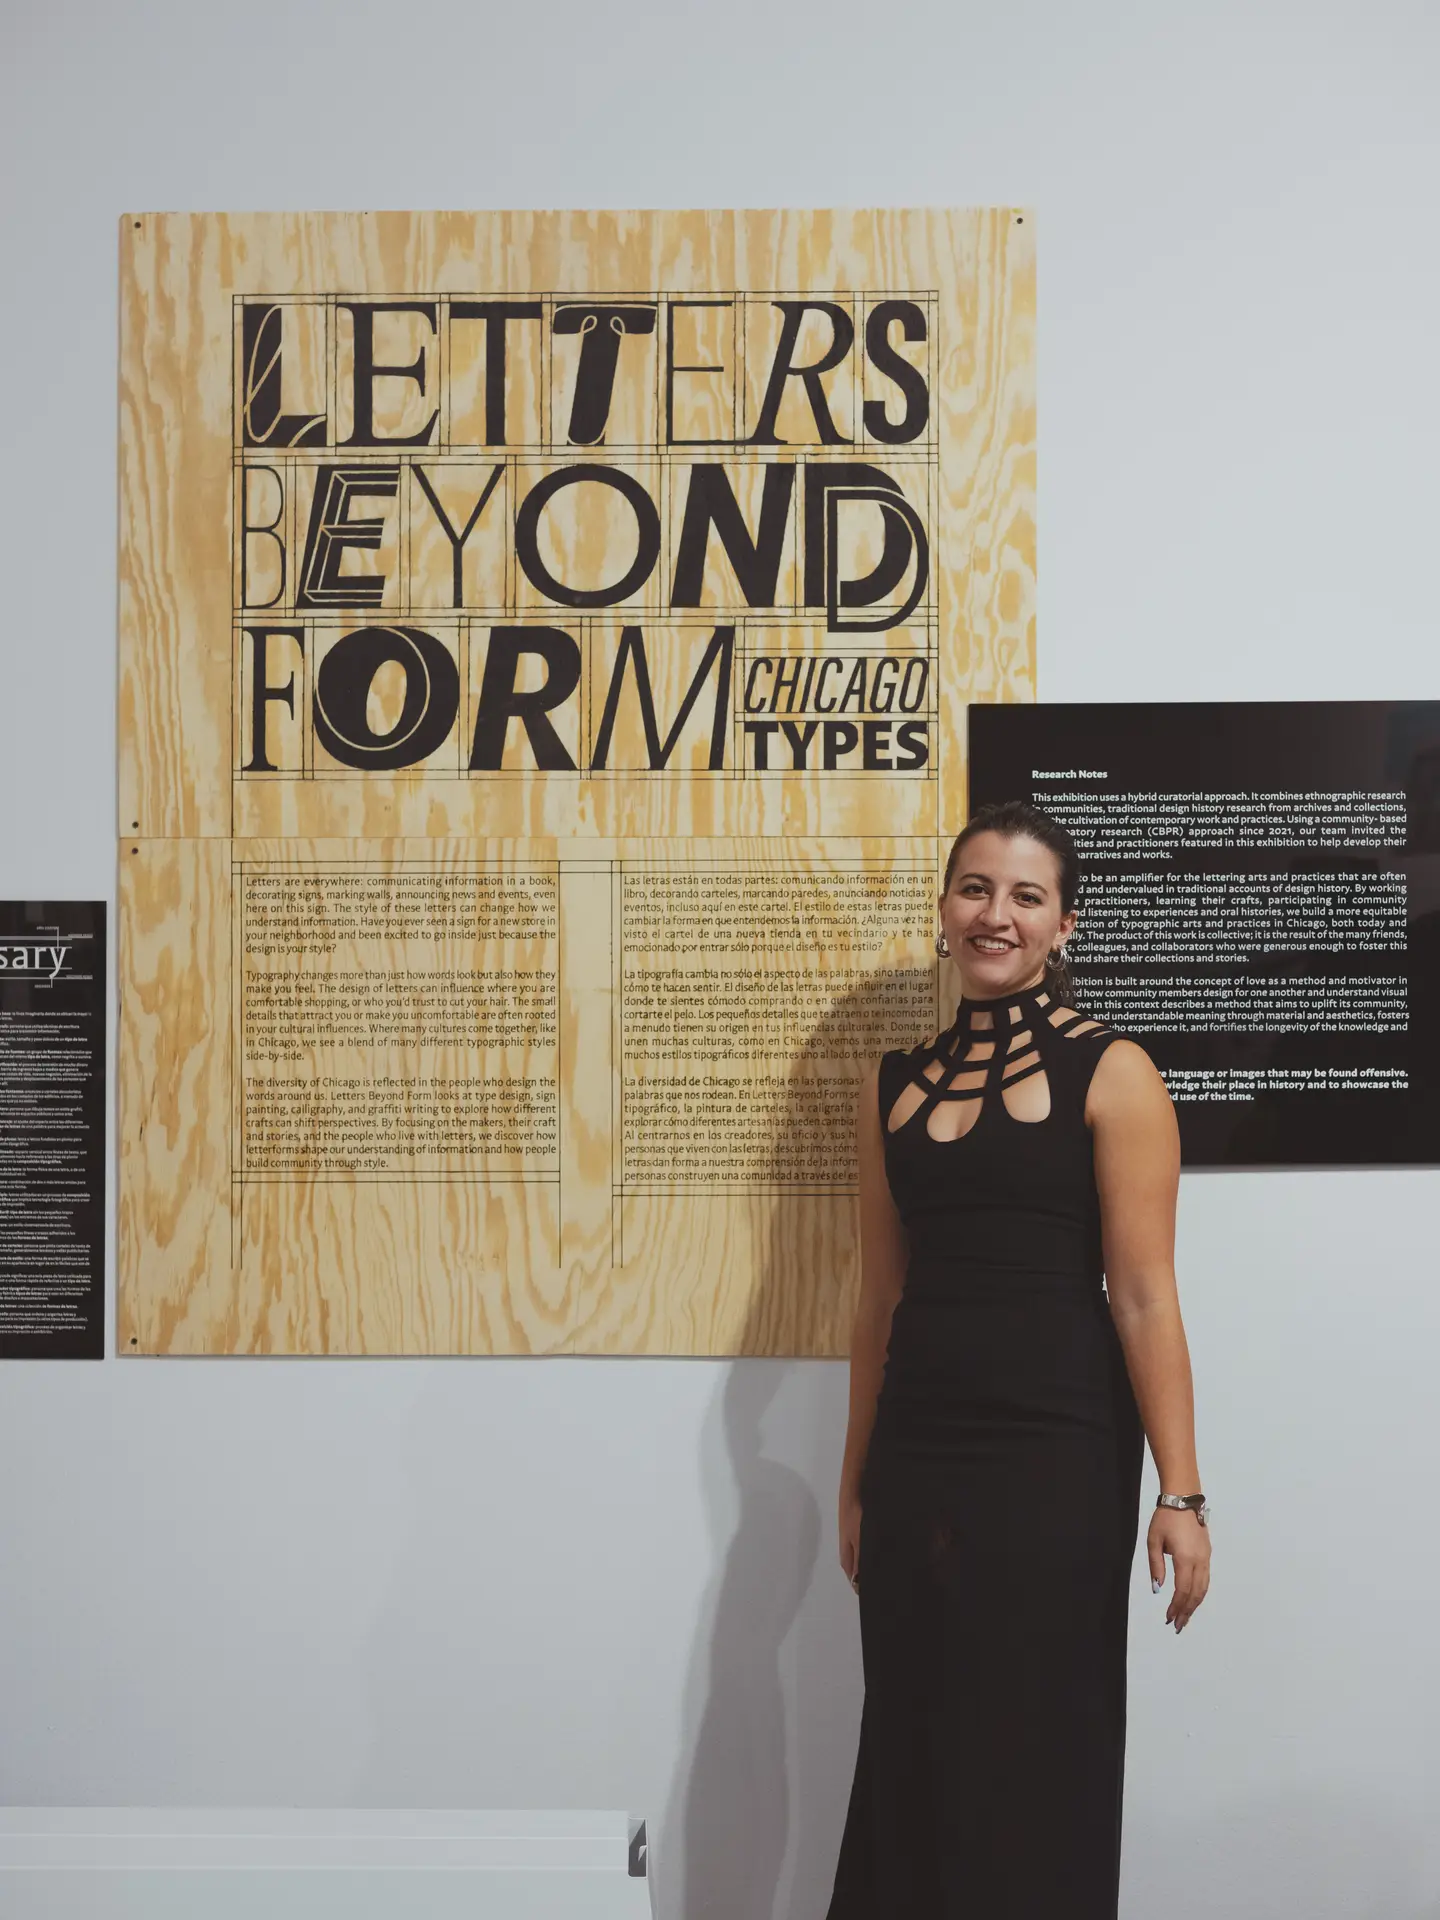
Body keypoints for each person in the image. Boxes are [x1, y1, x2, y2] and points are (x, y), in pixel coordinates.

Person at [825, 799, 1211, 1919]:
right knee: (911, 1723)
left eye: (1026, 896)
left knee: (1037, 1729)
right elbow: (878, 1298)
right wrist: (855, 1479)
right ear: (944, 912)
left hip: (1060, 1447)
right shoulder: (891, 1083)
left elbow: (1143, 1296)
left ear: (1064, 926)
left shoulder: (1117, 1072)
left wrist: (1182, 1492)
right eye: (976, 889)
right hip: (919, 1450)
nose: (997, 914)